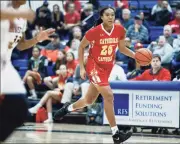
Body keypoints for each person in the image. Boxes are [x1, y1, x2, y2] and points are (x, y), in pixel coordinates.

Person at [54, 7, 135, 143]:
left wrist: (135, 55)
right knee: (109, 95)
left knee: (89, 100)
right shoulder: (94, 32)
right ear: (102, 17)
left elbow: (122, 48)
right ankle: (116, 134)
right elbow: (80, 47)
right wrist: (81, 68)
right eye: (107, 15)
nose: (110, 17)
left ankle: (67, 108)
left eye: (113, 15)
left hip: (107, 68)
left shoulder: (120, 30)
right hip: (94, 67)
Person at [0, 0, 54, 142]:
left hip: (5, 63)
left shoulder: (23, 15)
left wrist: (36, 39)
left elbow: (21, 46)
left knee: (20, 107)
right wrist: (6, 15)